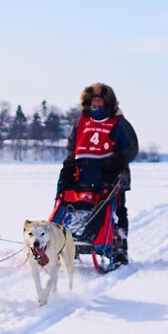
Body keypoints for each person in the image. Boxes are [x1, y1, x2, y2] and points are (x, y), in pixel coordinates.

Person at [56, 82, 139, 263]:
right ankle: (72, 240)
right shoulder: (81, 123)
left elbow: (132, 148)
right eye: (93, 103)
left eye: (100, 103)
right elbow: (72, 145)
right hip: (83, 175)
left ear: (108, 104)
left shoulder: (119, 123)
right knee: (76, 206)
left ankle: (119, 247)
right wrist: (70, 164)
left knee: (117, 211)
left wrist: (116, 162)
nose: (96, 107)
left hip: (112, 176)